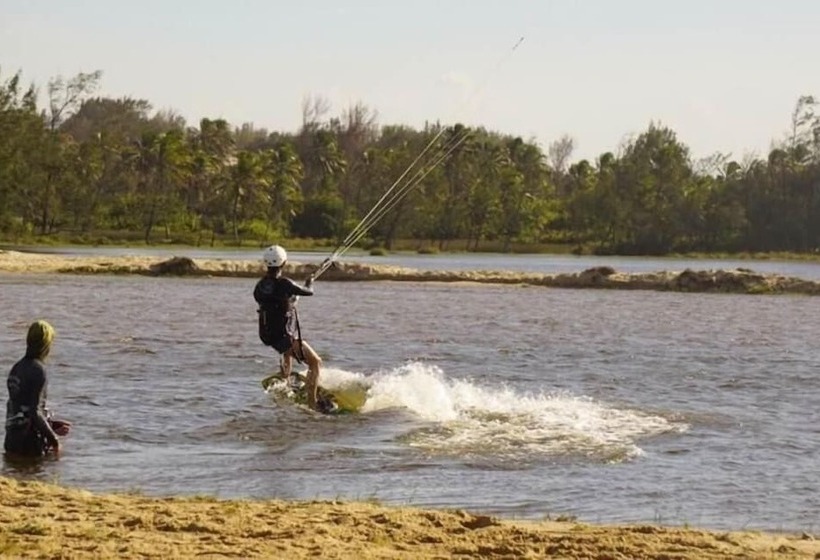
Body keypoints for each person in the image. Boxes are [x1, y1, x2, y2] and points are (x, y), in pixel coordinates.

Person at [254, 245, 324, 410]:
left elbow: (275, 302)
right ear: (284, 262)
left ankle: (284, 379)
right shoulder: (285, 283)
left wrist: (291, 299)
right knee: (316, 362)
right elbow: (308, 292)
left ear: (266, 263)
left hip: (267, 334)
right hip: (283, 336)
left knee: (287, 351)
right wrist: (310, 282)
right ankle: (312, 404)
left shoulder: (260, 286)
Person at [4, 320, 71, 458]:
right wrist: (55, 441)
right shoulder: (39, 370)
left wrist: (51, 424)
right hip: (29, 445)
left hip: (11, 441)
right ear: (46, 344)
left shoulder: (16, 368)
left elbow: (21, 409)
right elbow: (34, 412)